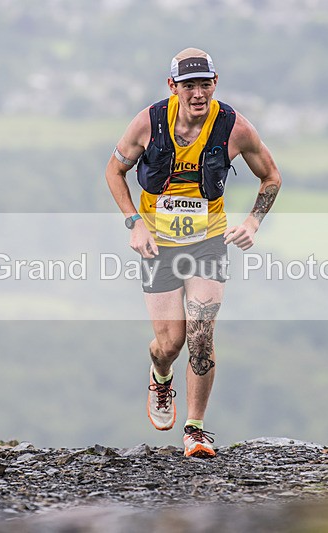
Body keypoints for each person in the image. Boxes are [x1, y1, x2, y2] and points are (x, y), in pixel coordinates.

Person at [105, 48, 281, 458]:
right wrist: (134, 223)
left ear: (215, 83)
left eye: (205, 84)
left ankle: (196, 429)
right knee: (171, 343)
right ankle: (160, 374)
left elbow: (271, 175)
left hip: (208, 241)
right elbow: (114, 171)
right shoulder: (148, 123)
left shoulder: (233, 127)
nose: (198, 94)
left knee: (201, 335)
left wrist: (253, 221)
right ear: (173, 87)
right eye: (189, 86)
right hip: (158, 245)